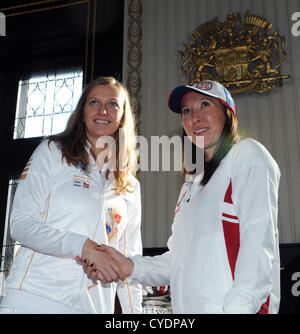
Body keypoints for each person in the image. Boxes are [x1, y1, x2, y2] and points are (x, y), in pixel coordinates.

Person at [85, 80, 281, 314]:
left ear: (228, 114)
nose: (194, 117)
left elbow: (258, 244)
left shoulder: (247, 155)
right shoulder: (191, 186)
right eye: (186, 111)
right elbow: (177, 261)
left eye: (205, 105)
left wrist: (240, 307)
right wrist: (128, 265)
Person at [0, 76, 143, 314]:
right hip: (35, 298)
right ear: (82, 111)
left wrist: (133, 315)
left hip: (94, 308)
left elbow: (130, 262)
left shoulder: (129, 185)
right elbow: (20, 224)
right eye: (94, 102)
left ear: (123, 117)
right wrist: (81, 246)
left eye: (113, 104)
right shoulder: (53, 151)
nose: (103, 110)